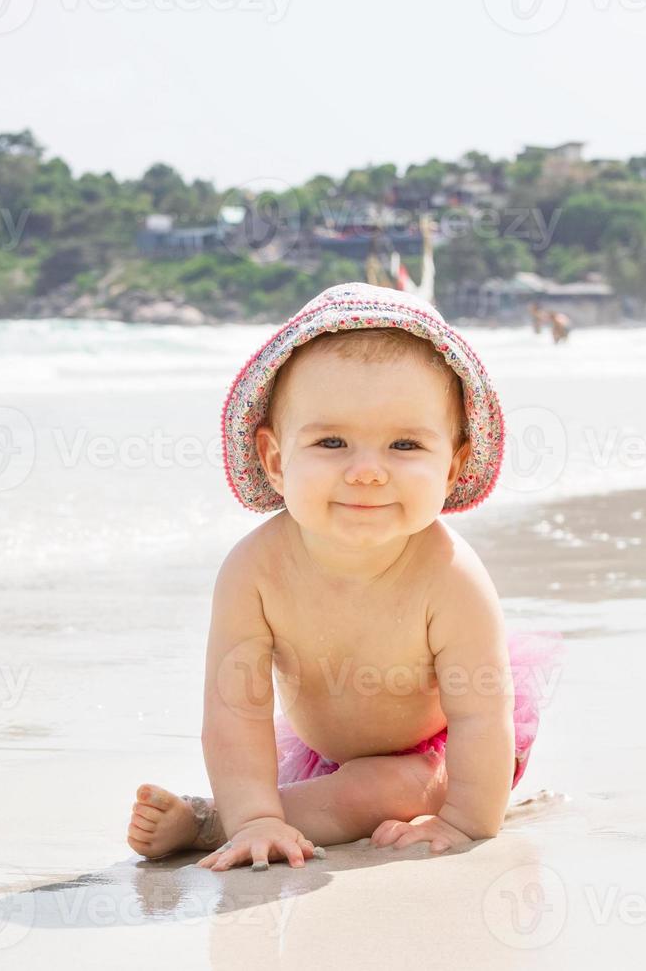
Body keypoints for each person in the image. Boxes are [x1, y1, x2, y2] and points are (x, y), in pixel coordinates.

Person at [125, 282, 560, 872]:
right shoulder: (255, 571)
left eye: (404, 444)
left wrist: (464, 820)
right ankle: (243, 817)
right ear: (277, 461)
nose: (367, 472)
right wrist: (257, 817)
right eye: (331, 442)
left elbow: (481, 718)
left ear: (453, 465)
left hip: (444, 760)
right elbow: (235, 711)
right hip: (321, 751)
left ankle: (207, 822)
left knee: (380, 790)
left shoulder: (451, 576)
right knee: (311, 793)